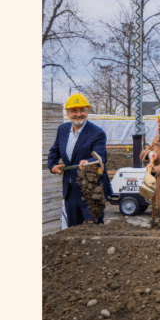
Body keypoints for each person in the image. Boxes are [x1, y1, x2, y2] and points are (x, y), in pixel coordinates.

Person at [48, 93, 110, 228]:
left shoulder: (97, 133)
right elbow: (54, 151)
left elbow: (101, 156)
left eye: (82, 110)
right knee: (73, 230)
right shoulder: (62, 130)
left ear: (87, 111)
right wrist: (52, 165)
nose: (78, 114)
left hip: (90, 191)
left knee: (93, 230)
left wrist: (88, 162)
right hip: (70, 191)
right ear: (68, 113)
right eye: (74, 111)